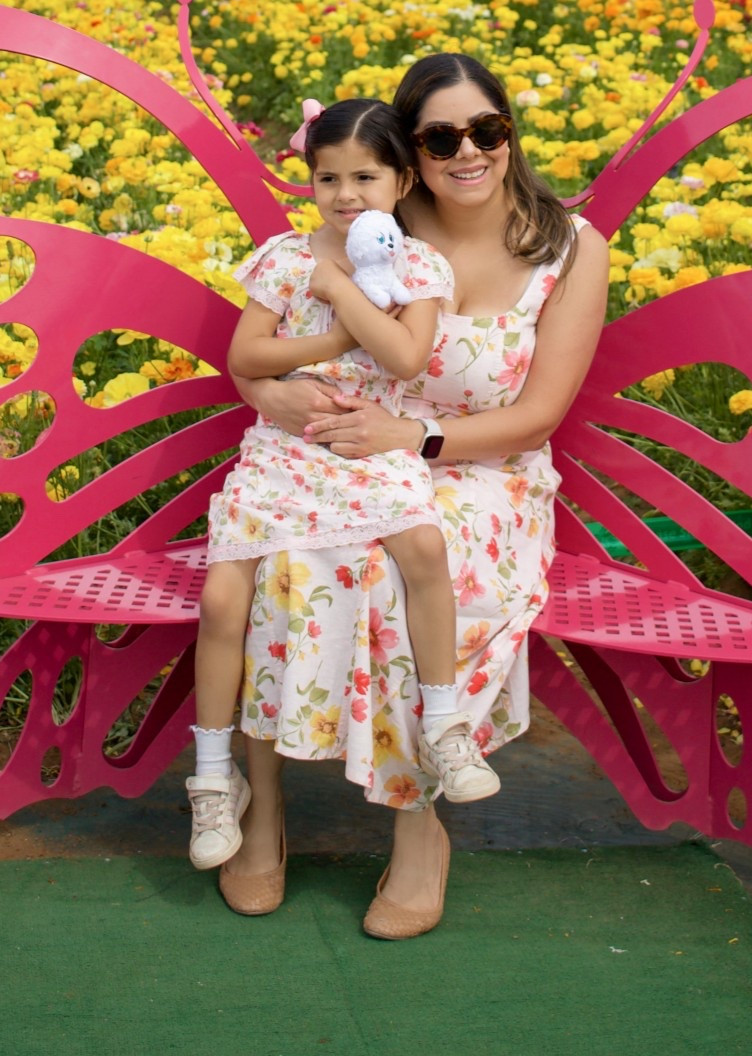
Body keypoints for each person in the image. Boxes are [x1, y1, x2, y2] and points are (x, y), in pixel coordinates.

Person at [220, 53, 610, 935]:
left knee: (403, 566)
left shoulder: (569, 248)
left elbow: (538, 416)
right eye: (440, 139)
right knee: (279, 555)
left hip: (483, 470)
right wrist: (273, 400)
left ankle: (417, 822)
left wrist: (414, 439)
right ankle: (262, 808)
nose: (468, 152)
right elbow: (271, 336)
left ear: (510, 133)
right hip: (341, 451)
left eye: (487, 130)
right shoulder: (377, 222)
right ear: (409, 154)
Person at [186, 96, 500, 874]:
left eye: (365, 177)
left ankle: (447, 725)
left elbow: (404, 358)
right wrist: (326, 337)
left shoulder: (416, 266)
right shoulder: (285, 259)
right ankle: (214, 778)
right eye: (328, 178)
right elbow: (245, 357)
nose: (346, 195)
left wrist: (346, 290)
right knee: (223, 597)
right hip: (284, 452)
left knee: (423, 549)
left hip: (370, 448)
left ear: (401, 182)